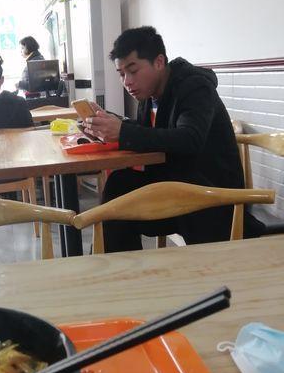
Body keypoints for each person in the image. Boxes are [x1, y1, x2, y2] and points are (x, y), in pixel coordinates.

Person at [83, 25, 263, 252]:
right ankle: (117, 267)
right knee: (119, 186)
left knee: (120, 198)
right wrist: (110, 125)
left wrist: (123, 132)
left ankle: (114, 266)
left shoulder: (194, 87)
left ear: (159, 62)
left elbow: (189, 138)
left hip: (212, 196)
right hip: (178, 185)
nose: (127, 81)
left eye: (133, 70)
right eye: (121, 74)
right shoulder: (150, 94)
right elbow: (152, 131)